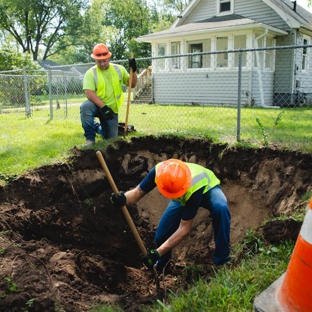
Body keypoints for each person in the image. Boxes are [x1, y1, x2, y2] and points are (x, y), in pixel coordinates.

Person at [110, 158, 231, 271]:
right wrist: (123, 198)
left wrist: (157, 252)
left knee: (221, 208)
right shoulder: (159, 172)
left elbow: (184, 229)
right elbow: (137, 192)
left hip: (205, 189)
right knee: (161, 236)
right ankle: (163, 266)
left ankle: (222, 261)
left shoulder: (193, 185)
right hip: (182, 195)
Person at [80, 43, 137, 146]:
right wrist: (103, 107)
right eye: (99, 61)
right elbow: (89, 93)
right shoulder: (91, 73)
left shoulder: (119, 69)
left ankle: (97, 127)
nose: (102, 64)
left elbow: (132, 84)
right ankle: (90, 139)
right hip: (97, 106)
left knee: (110, 139)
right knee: (85, 107)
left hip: (111, 110)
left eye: (104, 61)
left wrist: (134, 71)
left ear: (109, 58)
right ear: (95, 60)